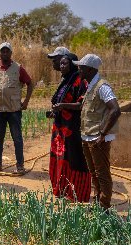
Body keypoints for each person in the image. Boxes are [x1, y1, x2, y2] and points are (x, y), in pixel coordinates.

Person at [73, 54, 121, 210]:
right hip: (88, 135)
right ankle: (97, 204)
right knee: (93, 172)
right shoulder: (90, 85)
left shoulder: (102, 86)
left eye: (81, 67)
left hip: (97, 138)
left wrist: (103, 134)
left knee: (102, 174)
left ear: (89, 69)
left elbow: (115, 109)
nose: (78, 69)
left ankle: (104, 207)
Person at [48, 53, 91, 202]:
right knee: (61, 158)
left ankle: (76, 193)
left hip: (73, 129)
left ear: (73, 65)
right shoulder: (65, 81)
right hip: (60, 128)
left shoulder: (80, 82)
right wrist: (55, 111)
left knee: (74, 159)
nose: (61, 66)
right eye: (61, 64)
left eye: (65, 64)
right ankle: (62, 189)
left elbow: (81, 104)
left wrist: (63, 106)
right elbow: (58, 101)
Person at [0, 42, 34, 175]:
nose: (5, 53)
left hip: (14, 110)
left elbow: (30, 84)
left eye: (7, 51)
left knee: (17, 138)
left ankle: (20, 166)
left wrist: (26, 101)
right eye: (3, 51)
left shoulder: (18, 68)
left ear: (11, 53)